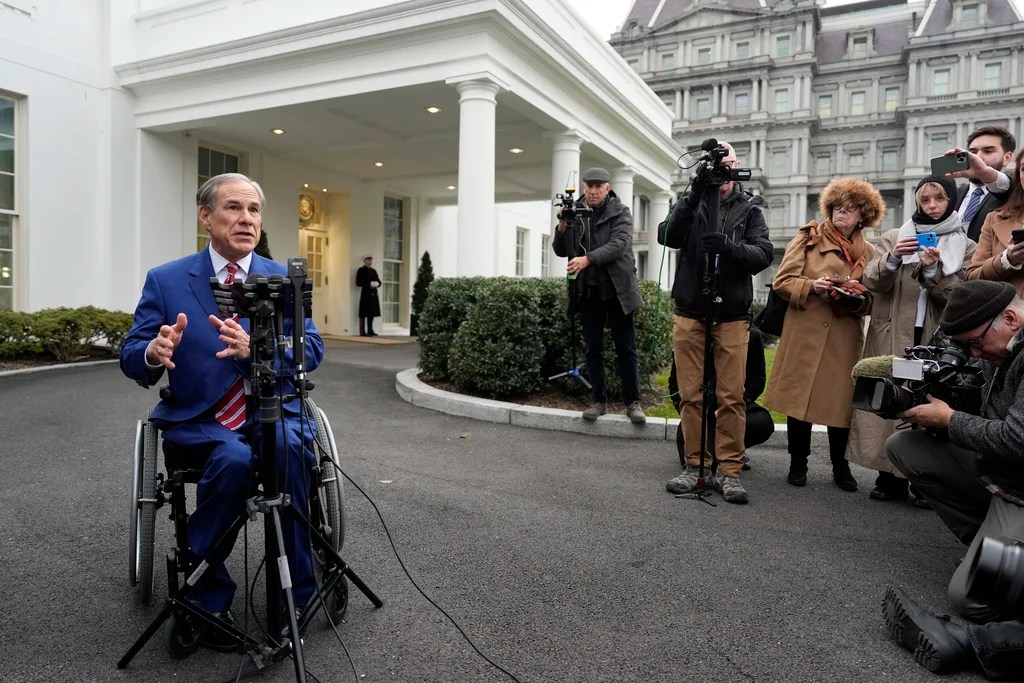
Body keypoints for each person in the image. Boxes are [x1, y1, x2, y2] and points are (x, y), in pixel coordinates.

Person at [120, 173, 324, 647]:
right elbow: (133, 354)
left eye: (253, 210)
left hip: (271, 409)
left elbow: (310, 349)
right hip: (201, 418)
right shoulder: (166, 279)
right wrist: (154, 351)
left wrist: (258, 349)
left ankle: (296, 592)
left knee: (289, 447)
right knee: (232, 460)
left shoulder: (282, 277)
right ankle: (205, 595)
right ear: (206, 216)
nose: (246, 219)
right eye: (234, 208)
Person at [882, 279, 1024, 679]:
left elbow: (1018, 438)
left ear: (1010, 318)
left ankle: (1007, 553)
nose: (975, 354)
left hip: (1019, 487)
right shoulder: (1000, 347)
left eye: (976, 345)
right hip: (1003, 478)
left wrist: (949, 420)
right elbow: (983, 408)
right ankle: (992, 541)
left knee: (971, 599)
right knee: (906, 446)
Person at [847, 175, 975, 504]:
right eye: (925, 200)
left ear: (950, 201)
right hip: (894, 333)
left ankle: (922, 480)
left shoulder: (966, 244)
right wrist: (892, 259)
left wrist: (935, 273)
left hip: (936, 337)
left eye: (939, 199)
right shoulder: (895, 236)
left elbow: (962, 298)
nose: (931, 206)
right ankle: (888, 476)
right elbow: (872, 280)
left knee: (928, 401)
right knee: (893, 398)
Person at [658, 142, 773, 504]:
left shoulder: (750, 206)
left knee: (731, 396)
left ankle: (730, 472)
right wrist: (694, 194)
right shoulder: (692, 200)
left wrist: (729, 248)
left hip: (732, 314)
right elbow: (667, 236)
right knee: (690, 394)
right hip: (691, 309)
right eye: (718, 166)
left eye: (731, 165)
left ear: (738, 168)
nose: (724, 174)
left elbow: (763, 254)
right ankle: (695, 466)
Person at [763, 177, 884, 492]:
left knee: (840, 402)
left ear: (863, 216)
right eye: (838, 207)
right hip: (805, 331)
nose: (842, 213)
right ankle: (797, 463)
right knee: (799, 399)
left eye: (851, 208)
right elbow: (783, 280)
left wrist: (856, 298)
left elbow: (873, 300)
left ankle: (840, 466)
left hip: (843, 335)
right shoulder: (809, 238)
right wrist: (812, 286)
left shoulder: (869, 251)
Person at [552, 166, 646, 424]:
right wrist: (562, 224)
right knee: (593, 349)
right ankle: (598, 401)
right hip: (588, 291)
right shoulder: (574, 212)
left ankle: (632, 402)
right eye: (589, 186)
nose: (593, 191)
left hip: (618, 290)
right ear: (583, 187)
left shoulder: (621, 212)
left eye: (598, 186)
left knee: (626, 348)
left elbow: (619, 245)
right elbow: (561, 250)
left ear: (607, 188)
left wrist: (587, 260)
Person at [666, 323, 775, 470]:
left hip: (732, 403)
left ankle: (733, 449)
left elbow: (757, 380)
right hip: (701, 412)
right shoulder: (691, 332)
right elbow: (675, 382)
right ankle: (720, 450)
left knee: (761, 422)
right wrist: (690, 412)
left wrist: (734, 405)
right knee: (702, 465)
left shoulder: (751, 335)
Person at [965, 147, 1024, 295]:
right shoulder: (994, 219)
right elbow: (972, 277)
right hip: (1008, 313)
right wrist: (1006, 260)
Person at [947, 125, 1015, 242]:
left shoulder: (1014, 192)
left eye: (988, 151)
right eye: (973, 152)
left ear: (1007, 158)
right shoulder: (952, 195)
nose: (977, 157)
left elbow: (1007, 185)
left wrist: (984, 172)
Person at [356, 255, 382, 336]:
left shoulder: (373, 271)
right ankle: (362, 331)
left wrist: (378, 284)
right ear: (364, 261)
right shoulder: (361, 270)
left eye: (371, 260)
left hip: (373, 294)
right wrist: (369, 284)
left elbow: (378, 281)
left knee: (371, 313)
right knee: (363, 313)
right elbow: (358, 282)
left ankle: (370, 330)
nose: (370, 261)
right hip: (365, 294)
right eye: (368, 260)